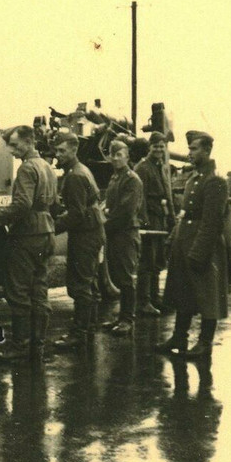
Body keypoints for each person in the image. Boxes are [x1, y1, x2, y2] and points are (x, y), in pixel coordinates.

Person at [0, 125, 58, 361]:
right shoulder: (47, 167)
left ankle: (20, 347)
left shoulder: (26, 169)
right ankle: (38, 347)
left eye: (15, 145)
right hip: (46, 233)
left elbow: (22, 205)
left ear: (29, 142)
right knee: (39, 290)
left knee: (19, 292)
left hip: (27, 236)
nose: (11, 151)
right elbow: (53, 205)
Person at [156, 130, 229, 359]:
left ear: (207, 151)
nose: (190, 153)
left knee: (208, 295)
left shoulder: (214, 181)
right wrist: (174, 239)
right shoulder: (194, 179)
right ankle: (179, 337)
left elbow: (211, 222)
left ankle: (205, 342)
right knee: (183, 293)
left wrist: (199, 252)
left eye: (194, 149)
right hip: (184, 243)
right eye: (189, 149)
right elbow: (184, 214)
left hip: (202, 247)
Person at [50, 131, 105, 350]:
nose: (58, 154)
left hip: (85, 235)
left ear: (74, 150)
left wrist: (51, 227)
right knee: (89, 282)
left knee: (80, 284)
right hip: (92, 232)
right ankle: (89, 328)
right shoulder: (81, 170)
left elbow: (76, 215)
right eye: (57, 150)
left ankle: (79, 333)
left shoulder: (74, 176)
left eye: (62, 150)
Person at [101, 139, 145, 336]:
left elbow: (126, 211)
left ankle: (127, 319)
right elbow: (110, 205)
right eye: (113, 154)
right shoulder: (115, 178)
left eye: (120, 154)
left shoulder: (132, 179)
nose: (116, 158)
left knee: (126, 278)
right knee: (118, 275)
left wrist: (104, 222)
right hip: (116, 232)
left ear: (127, 157)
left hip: (126, 233)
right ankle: (121, 318)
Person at [133, 131, 175, 316]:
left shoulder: (162, 166)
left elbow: (168, 194)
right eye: (155, 146)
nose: (159, 149)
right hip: (149, 218)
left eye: (161, 146)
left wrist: (171, 218)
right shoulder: (143, 167)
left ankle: (154, 298)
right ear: (149, 147)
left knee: (158, 260)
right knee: (147, 261)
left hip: (160, 218)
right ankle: (143, 302)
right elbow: (139, 198)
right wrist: (144, 221)